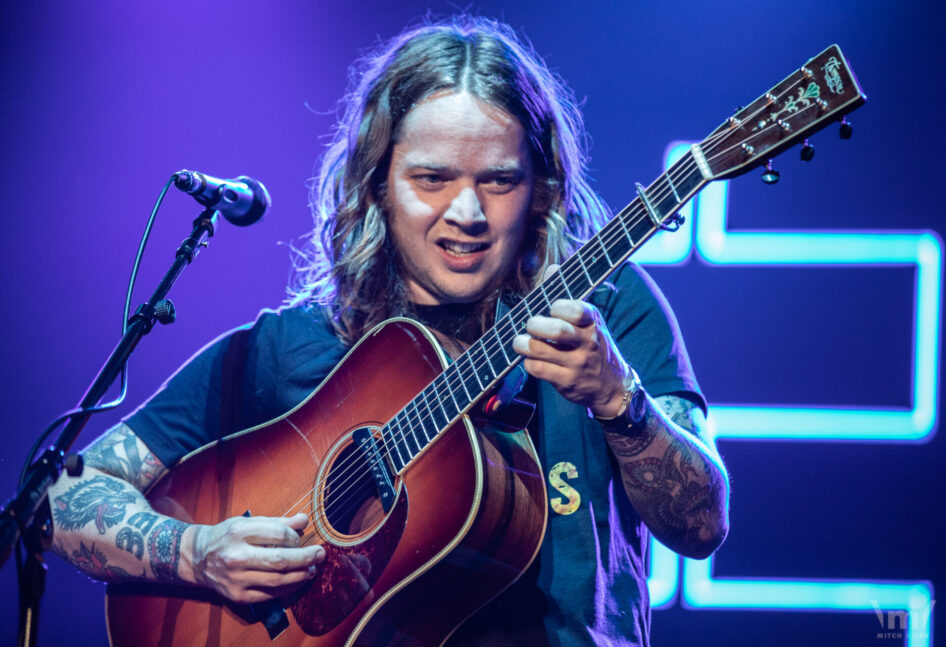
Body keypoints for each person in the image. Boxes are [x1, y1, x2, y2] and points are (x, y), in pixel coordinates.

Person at [47, 16, 729, 646]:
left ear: (541, 190)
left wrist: (621, 401)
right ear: (376, 184)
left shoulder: (603, 309)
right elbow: (64, 495)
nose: (467, 211)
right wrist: (196, 553)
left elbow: (702, 525)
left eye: (499, 181)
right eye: (431, 178)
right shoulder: (295, 345)